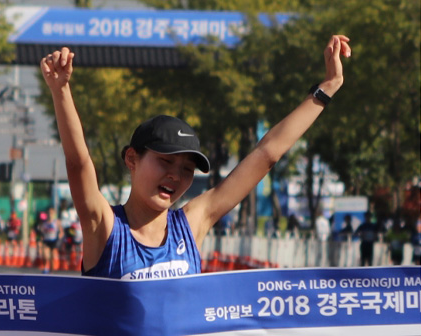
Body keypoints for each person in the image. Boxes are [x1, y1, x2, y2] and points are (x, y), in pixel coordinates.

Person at [40, 35, 351, 280]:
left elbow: (265, 154)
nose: (176, 176)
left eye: (187, 168)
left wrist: (327, 88)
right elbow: (78, 162)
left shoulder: (192, 224)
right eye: (165, 162)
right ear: (132, 159)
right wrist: (61, 90)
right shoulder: (104, 227)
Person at [40, 207, 64, 274]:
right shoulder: (44, 223)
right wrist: (41, 238)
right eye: (49, 213)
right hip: (46, 241)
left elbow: (61, 232)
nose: (50, 214)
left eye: (51, 213)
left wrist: (59, 238)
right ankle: (45, 267)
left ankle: (51, 271)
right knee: (46, 255)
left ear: (54, 214)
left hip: (54, 241)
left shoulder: (57, 222)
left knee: (52, 257)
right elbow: (41, 232)